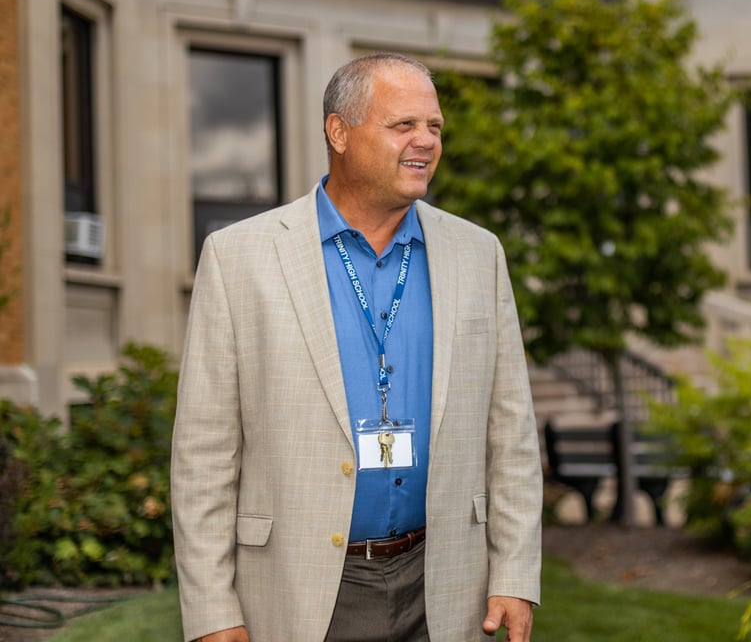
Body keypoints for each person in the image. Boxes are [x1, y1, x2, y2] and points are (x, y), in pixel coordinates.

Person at [171, 53, 542, 642]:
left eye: (435, 127)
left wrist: (516, 573)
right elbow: (203, 455)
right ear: (338, 132)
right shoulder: (239, 256)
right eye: (404, 125)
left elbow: (513, 435)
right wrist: (214, 614)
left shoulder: (479, 254)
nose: (426, 141)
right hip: (302, 591)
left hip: (446, 586)